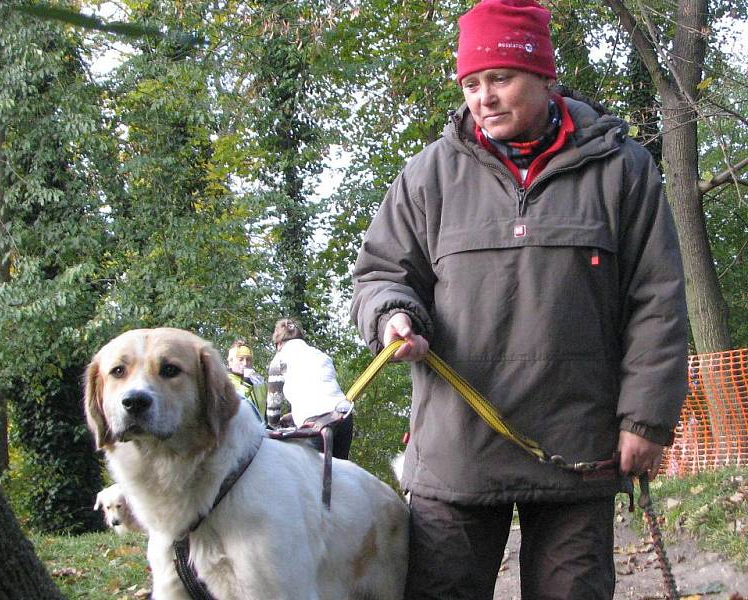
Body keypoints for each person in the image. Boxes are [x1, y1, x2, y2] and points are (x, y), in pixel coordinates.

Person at [350, 1, 688, 598]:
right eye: (473, 84)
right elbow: (380, 275)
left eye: (500, 79)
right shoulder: (429, 175)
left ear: (543, 77)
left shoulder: (622, 170)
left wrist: (645, 419)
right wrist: (392, 315)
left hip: (578, 450)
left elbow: (656, 301)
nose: (484, 97)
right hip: (456, 451)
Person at [267, 318, 354, 459]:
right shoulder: (320, 355)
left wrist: (275, 424)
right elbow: (321, 392)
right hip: (343, 414)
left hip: (318, 424)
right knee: (339, 473)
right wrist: (294, 416)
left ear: (278, 344)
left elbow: (273, 406)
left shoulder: (279, 359)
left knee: (310, 475)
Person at [226, 339, 268, 424]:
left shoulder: (259, 382)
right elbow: (232, 409)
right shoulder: (224, 382)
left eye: (248, 359)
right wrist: (246, 384)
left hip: (261, 432)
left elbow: (267, 408)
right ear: (230, 362)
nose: (245, 363)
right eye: (240, 359)